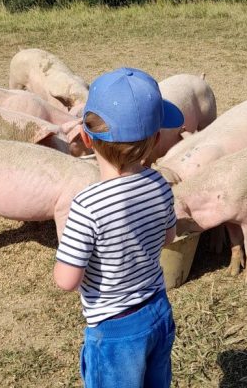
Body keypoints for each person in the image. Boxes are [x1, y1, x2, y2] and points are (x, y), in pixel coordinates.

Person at [53, 67, 184, 388]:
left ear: (86, 137)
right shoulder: (160, 183)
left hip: (114, 331)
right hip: (156, 311)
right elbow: (169, 236)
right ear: (155, 139)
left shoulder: (87, 205)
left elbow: (67, 280)